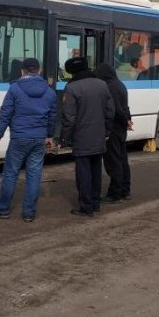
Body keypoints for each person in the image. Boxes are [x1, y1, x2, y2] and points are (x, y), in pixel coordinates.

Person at [0, 58, 57, 222]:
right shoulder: (49, 91)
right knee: (34, 175)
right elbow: (52, 116)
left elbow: (6, 112)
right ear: (39, 70)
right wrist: (49, 136)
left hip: (19, 137)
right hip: (38, 138)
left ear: (22, 71)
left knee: (10, 174)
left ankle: (2, 209)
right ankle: (29, 213)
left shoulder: (15, 89)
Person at [61, 57, 114, 217]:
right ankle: (95, 203)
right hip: (98, 135)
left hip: (82, 137)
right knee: (96, 171)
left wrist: (64, 138)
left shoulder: (71, 88)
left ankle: (85, 206)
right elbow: (110, 111)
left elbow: (69, 118)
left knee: (83, 173)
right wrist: (106, 131)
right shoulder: (102, 84)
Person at [94, 62, 133, 204]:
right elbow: (125, 107)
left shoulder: (109, 87)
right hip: (120, 128)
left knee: (113, 161)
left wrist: (122, 121)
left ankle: (115, 192)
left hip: (113, 129)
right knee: (122, 160)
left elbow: (115, 109)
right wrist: (128, 120)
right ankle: (125, 190)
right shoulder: (120, 84)